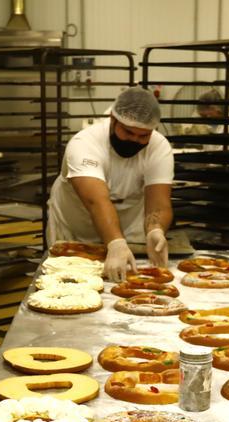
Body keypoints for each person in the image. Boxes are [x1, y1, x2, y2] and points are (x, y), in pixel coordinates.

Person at [47, 87, 174, 281]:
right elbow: (96, 201)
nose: (134, 140)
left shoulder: (159, 147)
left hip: (127, 230)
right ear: (113, 120)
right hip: (75, 230)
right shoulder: (85, 143)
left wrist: (155, 230)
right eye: (128, 132)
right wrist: (115, 242)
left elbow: (159, 201)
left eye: (143, 136)